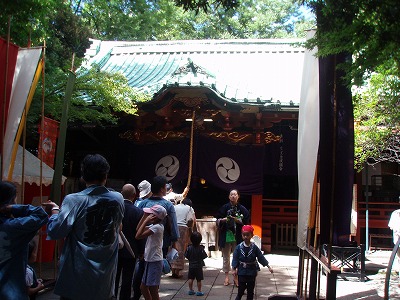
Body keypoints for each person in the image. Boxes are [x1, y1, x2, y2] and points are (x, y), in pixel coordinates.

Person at [43, 154, 124, 300]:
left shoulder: (74, 200)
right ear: (105, 175)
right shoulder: (117, 199)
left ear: (83, 176)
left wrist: (55, 211)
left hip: (77, 277)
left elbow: (56, 231)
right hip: (104, 280)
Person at [0, 181, 48, 300]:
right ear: (10, 201)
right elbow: (41, 215)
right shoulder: (12, 227)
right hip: (10, 291)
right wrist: (13, 208)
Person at [115, 184, 145, 300]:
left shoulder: (115, 209)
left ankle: (112, 296)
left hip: (115, 248)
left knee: (114, 276)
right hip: (131, 250)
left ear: (122, 193)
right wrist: (141, 251)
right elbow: (140, 234)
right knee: (127, 278)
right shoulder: (138, 212)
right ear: (134, 195)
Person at [137, 176, 179, 257]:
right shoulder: (168, 205)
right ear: (161, 189)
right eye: (165, 186)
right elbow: (173, 225)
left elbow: (137, 221)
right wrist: (174, 243)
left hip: (144, 241)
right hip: (162, 242)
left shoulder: (143, 204)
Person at [215, 189, 250, 287]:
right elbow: (217, 219)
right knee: (226, 257)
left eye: (235, 194)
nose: (233, 196)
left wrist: (239, 221)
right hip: (226, 235)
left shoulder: (242, 209)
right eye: (231, 194)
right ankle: (226, 277)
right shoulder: (224, 207)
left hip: (238, 236)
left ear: (238, 196)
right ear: (229, 197)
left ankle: (236, 276)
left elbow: (247, 221)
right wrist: (223, 220)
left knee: (237, 257)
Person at [232, 225, 273, 300]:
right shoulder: (238, 247)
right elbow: (235, 258)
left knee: (250, 291)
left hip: (251, 271)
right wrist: (234, 268)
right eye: (244, 235)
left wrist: (268, 266)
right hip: (242, 271)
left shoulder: (254, 247)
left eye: (247, 235)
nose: (245, 237)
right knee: (240, 290)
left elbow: (260, 257)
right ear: (241, 235)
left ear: (252, 235)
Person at [135, 204, 167, 300]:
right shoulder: (155, 226)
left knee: (153, 289)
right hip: (150, 259)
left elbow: (138, 236)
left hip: (154, 260)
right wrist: (145, 217)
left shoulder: (157, 227)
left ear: (156, 217)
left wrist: (146, 220)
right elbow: (138, 229)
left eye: (150, 214)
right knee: (143, 287)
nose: (149, 215)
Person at [170, 198, 196, 278]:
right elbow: (192, 220)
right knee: (181, 250)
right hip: (183, 229)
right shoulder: (189, 208)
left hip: (173, 227)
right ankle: (178, 271)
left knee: (173, 248)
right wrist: (192, 231)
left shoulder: (175, 206)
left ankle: (172, 270)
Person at [185, 231, 208, 296]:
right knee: (199, 279)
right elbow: (204, 256)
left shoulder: (189, 248)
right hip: (198, 266)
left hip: (191, 265)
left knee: (190, 278)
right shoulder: (201, 248)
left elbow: (186, 255)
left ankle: (190, 290)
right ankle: (199, 290)